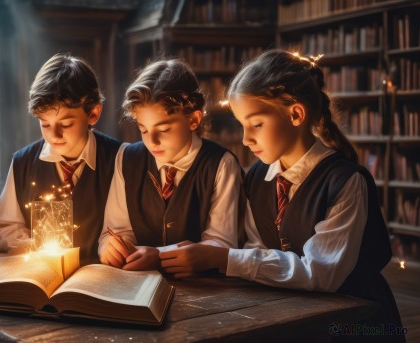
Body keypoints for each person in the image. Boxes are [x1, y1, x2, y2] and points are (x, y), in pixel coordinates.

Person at [160, 49, 403, 339]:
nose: (246, 139)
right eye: (242, 125)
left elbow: (320, 274)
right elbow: (256, 250)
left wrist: (221, 258)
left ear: (296, 114)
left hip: (356, 323)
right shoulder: (257, 178)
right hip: (293, 314)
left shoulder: (346, 181)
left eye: (256, 124)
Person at [99, 59, 244, 272]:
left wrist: (161, 256)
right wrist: (109, 247)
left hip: (206, 291)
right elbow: (116, 230)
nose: (152, 141)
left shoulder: (221, 164)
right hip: (136, 283)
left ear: (193, 120)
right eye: (144, 129)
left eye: (164, 129)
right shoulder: (127, 158)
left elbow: (221, 244)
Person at [0, 53, 122, 264]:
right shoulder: (23, 162)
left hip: (99, 275)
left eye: (66, 124)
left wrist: (112, 247)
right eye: (45, 124)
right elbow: (3, 229)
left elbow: (124, 229)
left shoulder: (119, 158)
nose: (54, 135)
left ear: (93, 113)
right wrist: (29, 245)